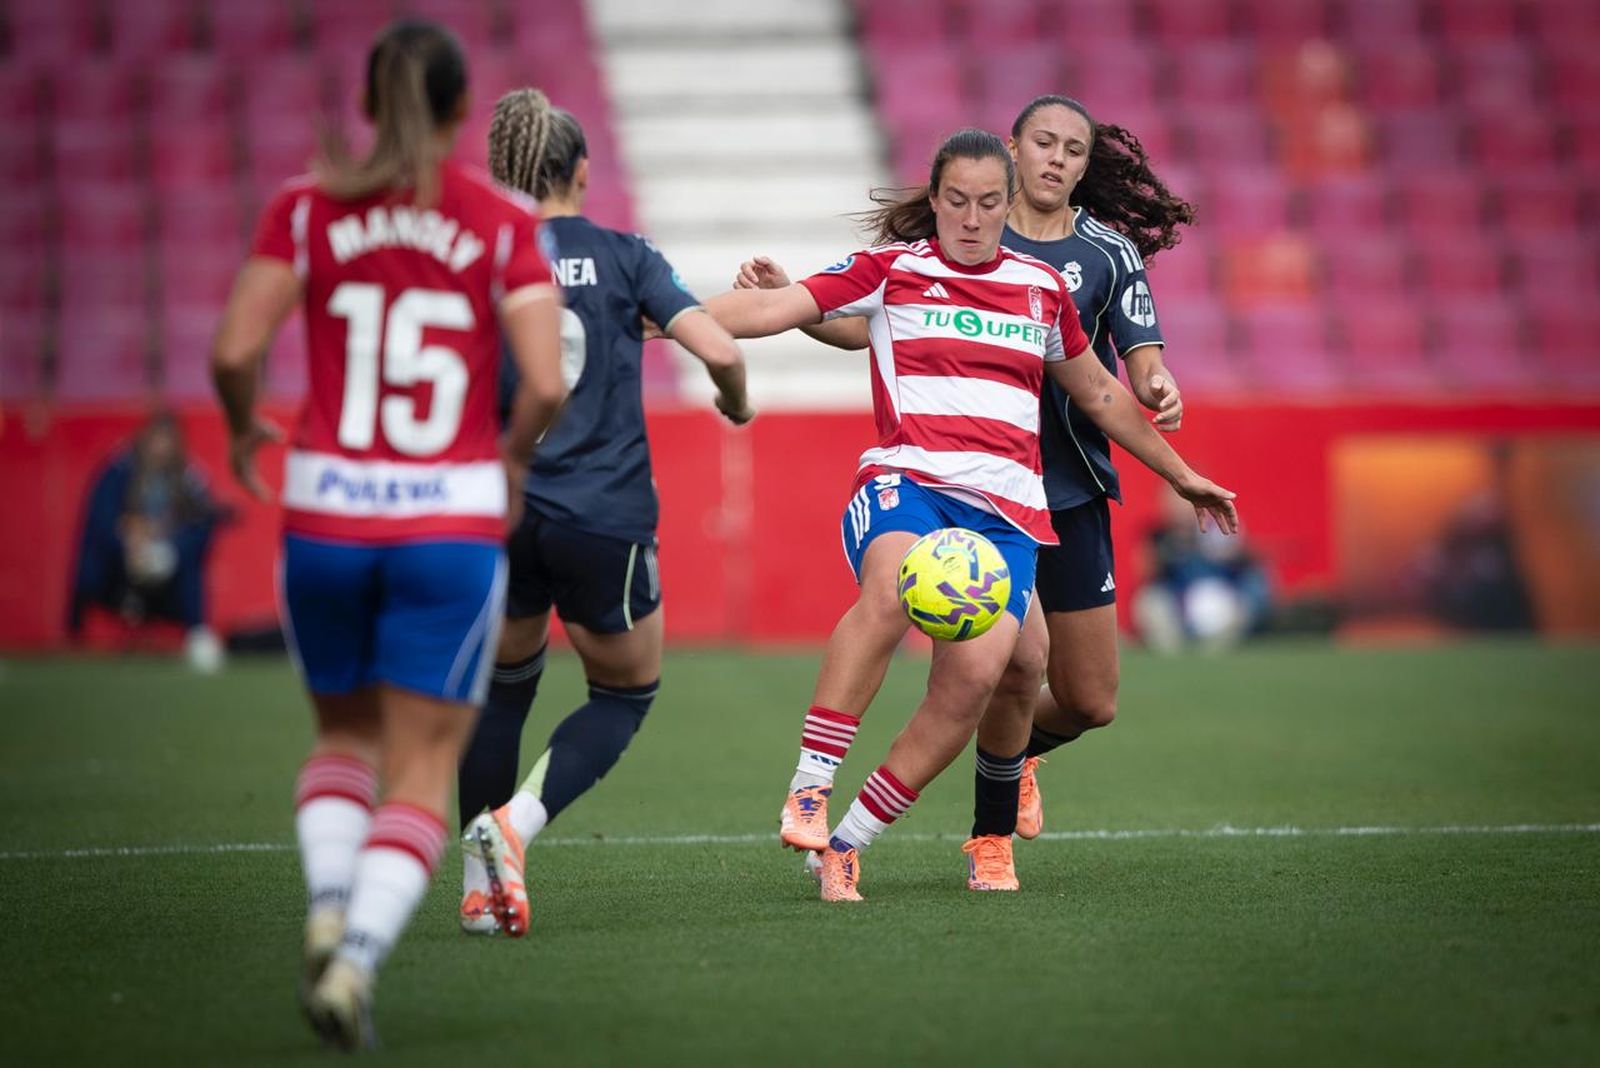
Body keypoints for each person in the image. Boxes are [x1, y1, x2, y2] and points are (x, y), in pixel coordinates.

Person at [703, 127, 1236, 901]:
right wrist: (658, 315)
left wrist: (1183, 476)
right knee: (888, 592)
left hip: (1009, 514)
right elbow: (778, 307)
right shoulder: (892, 269)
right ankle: (810, 786)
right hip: (909, 482)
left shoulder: (1041, 289)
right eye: (958, 200)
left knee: (983, 677)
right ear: (937, 196)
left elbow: (1099, 393)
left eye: (989, 203)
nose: (974, 217)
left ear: (1005, 199)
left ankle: (848, 843)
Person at [209, 21, 565, 1049]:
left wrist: (241, 429)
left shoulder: (304, 208)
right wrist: (502, 462)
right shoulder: (499, 223)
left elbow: (235, 350)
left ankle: (328, 897)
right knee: (420, 763)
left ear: (367, 103)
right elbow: (543, 380)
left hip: (325, 507)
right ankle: (354, 958)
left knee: (343, 738)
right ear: (462, 112)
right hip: (445, 521)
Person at [455, 89, 754, 938]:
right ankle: (514, 828)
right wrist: (734, 404)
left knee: (502, 686)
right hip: (602, 511)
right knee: (624, 691)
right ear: (582, 172)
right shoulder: (625, 256)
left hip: (500, 501)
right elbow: (721, 348)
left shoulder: (485, 254)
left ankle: (481, 889)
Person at [66, 410, 229, 673]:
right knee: (93, 555)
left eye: (168, 441)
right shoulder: (119, 471)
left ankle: (198, 634)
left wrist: (170, 551)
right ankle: (75, 633)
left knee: (190, 564)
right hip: (121, 562)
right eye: (157, 439)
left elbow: (201, 523)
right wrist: (129, 545)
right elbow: (101, 520)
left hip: (170, 567)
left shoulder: (189, 477)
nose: (161, 448)